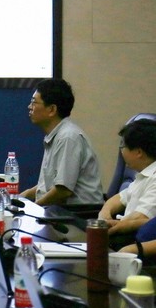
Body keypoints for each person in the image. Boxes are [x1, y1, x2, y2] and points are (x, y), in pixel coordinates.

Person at [19, 78, 104, 206]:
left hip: (78, 214)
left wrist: (35, 208)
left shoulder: (68, 137)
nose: (29, 107)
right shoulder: (56, 135)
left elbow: (62, 191)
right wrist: (24, 196)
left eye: (34, 102)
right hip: (60, 211)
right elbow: (49, 185)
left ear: (52, 109)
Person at [99, 118, 156, 237]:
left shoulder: (154, 179)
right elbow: (120, 198)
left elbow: (141, 217)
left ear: (139, 152)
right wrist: (105, 213)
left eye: (123, 146)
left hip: (134, 239)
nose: (122, 151)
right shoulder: (143, 176)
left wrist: (112, 225)